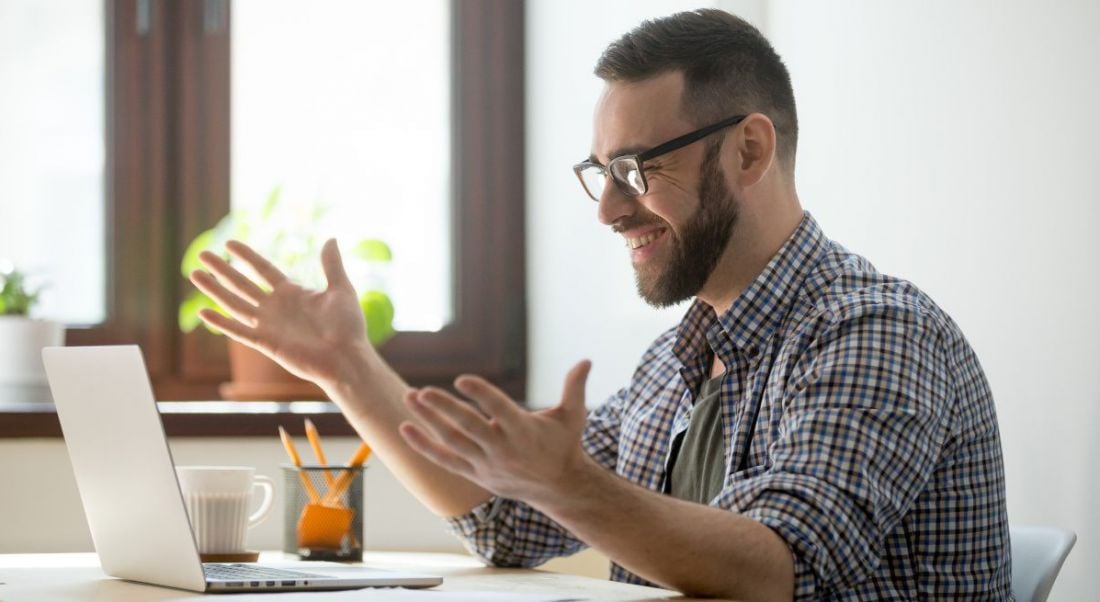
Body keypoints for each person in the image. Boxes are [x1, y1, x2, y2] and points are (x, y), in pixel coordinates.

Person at [190, 9, 1012, 600]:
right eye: (601, 173)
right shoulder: (678, 361)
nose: (609, 210)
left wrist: (573, 485)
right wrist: (344, 366)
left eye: (637, 168)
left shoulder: (875, 331)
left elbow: (776, 569)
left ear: (750, 149)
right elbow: (506, 523)